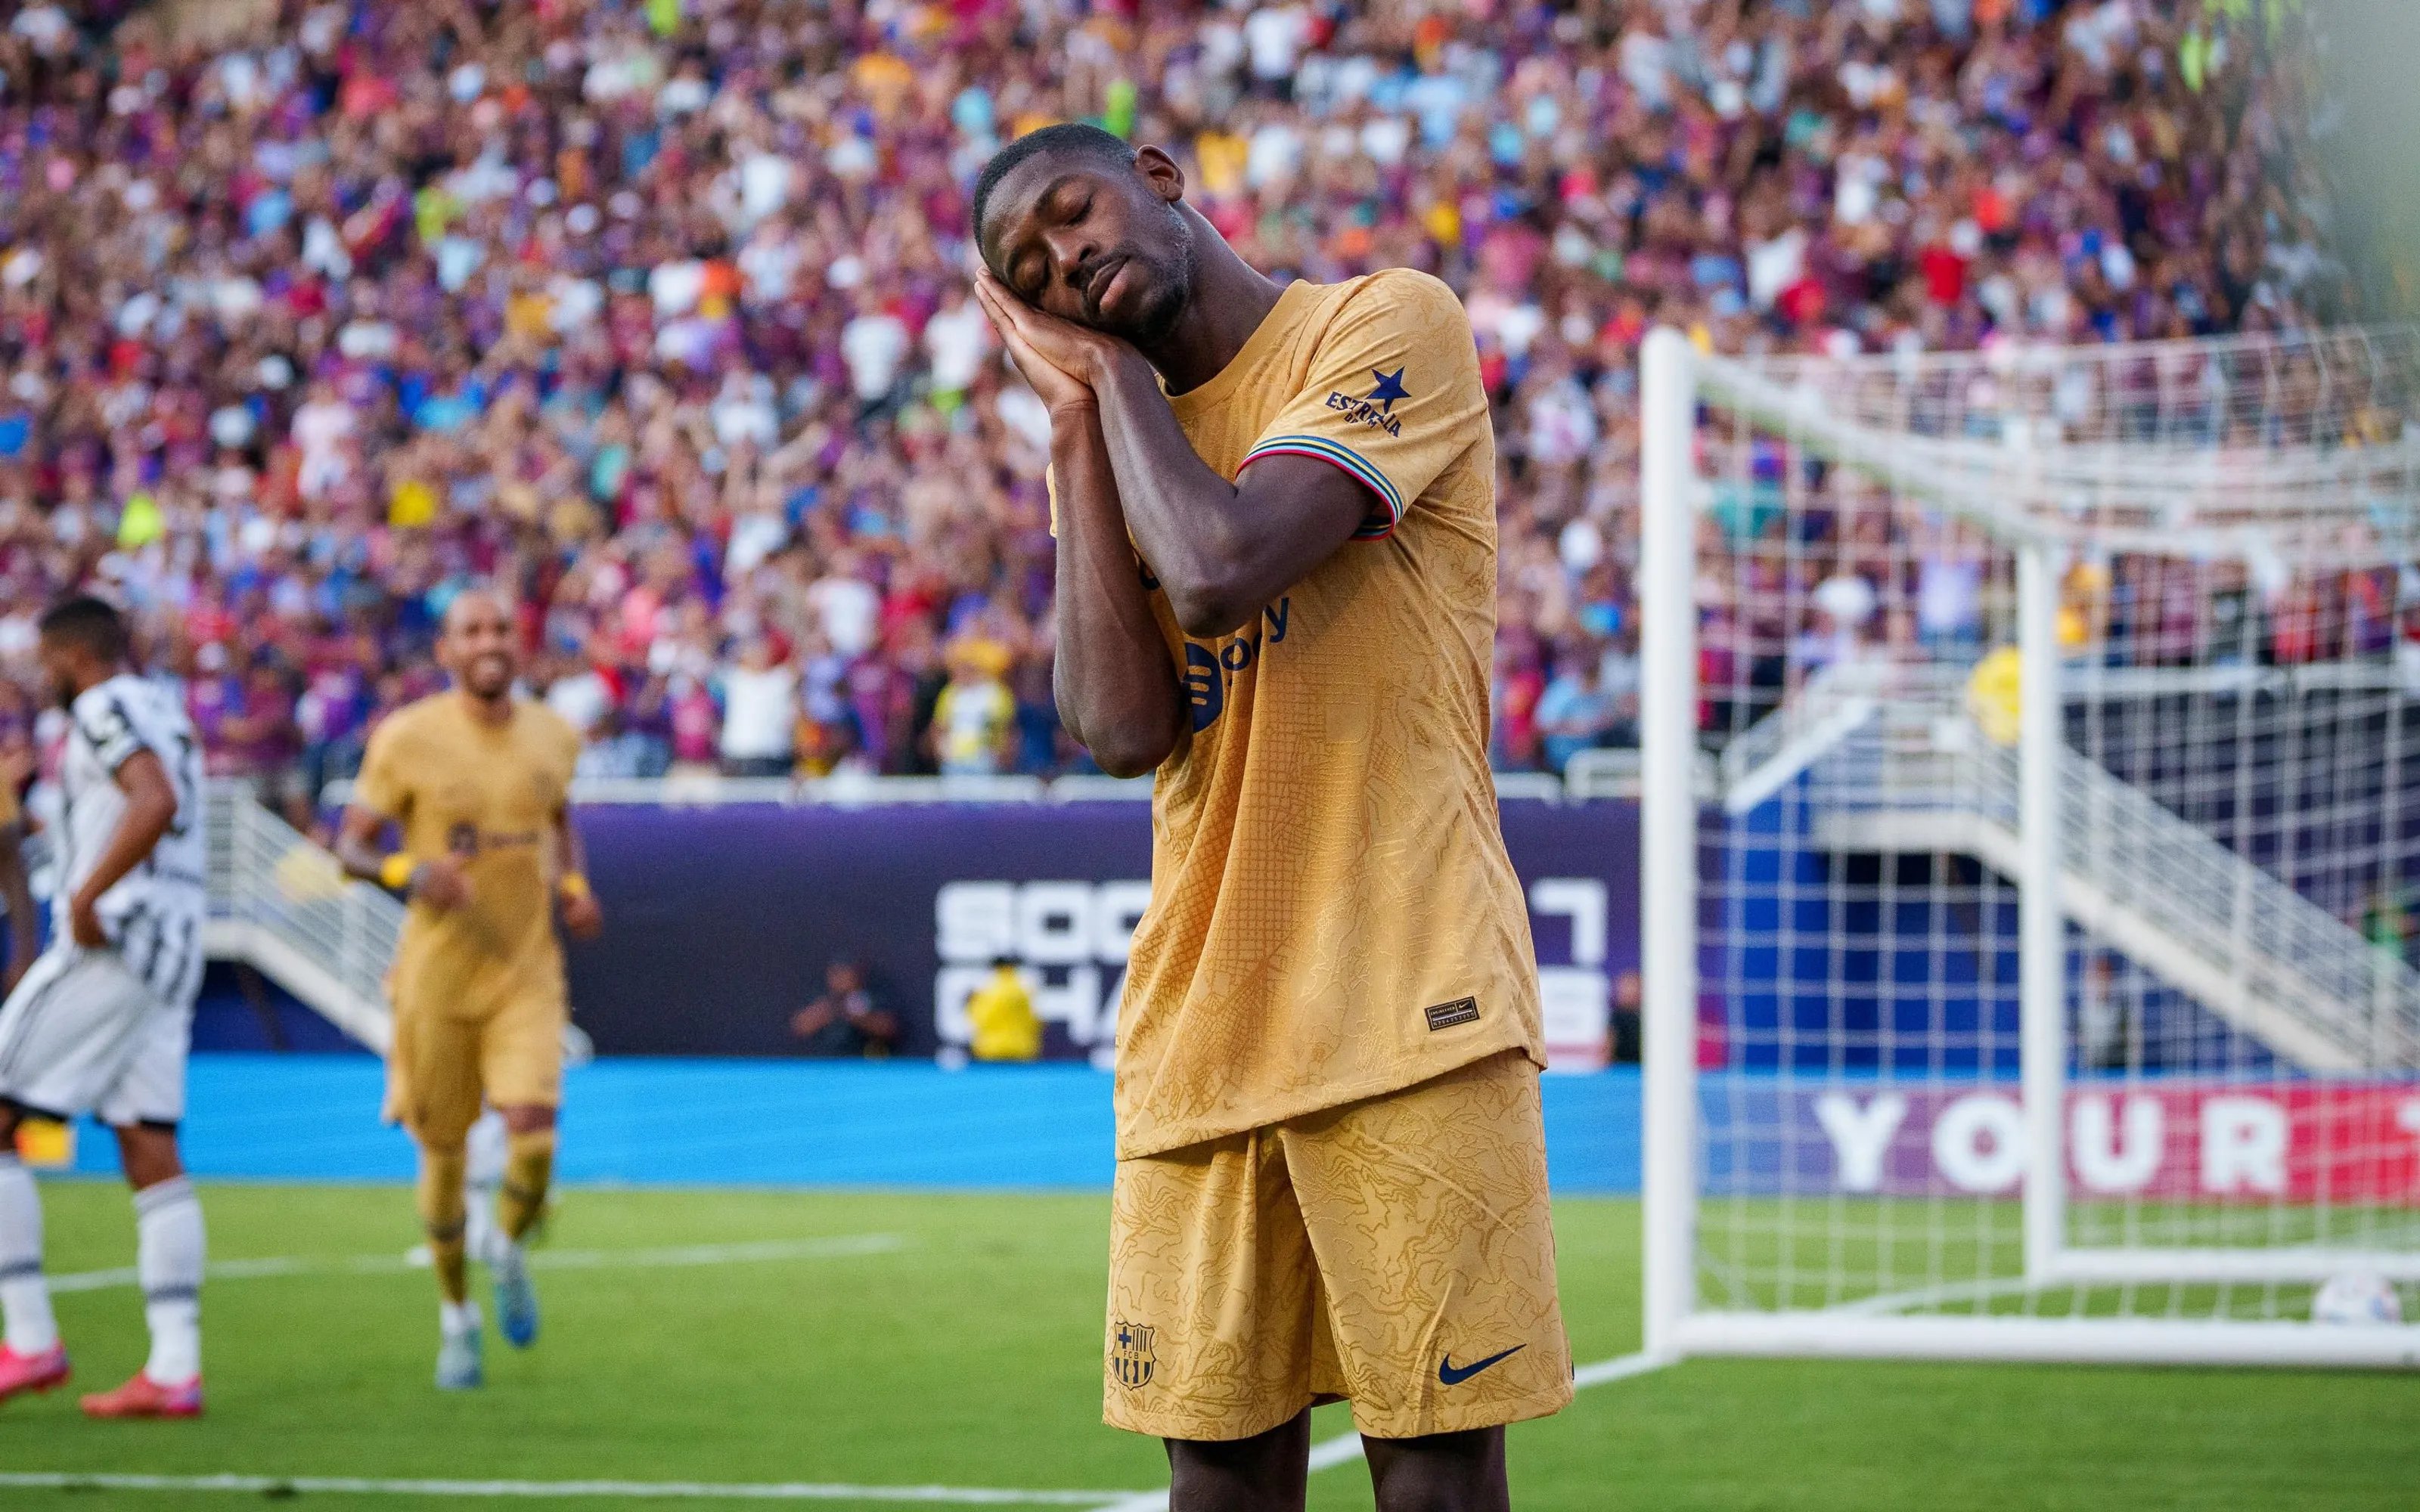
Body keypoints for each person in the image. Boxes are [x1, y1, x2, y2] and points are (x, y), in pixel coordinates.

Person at [973, 123, 1568, 1510]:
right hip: (1201, 1019)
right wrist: (1076, 424)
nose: (1067, 259)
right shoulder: (1119, 437)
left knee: (1429, 1476)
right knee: (1221, 1482)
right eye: (1032, 267)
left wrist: (1110, 374)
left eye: (1073, 213)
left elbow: (1222, 568)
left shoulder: (1385, 321)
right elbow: (1120, 730)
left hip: (1406, 992)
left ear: (1160, 177)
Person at [333, 588, 603, 1391]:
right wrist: (403, 871)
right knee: (444, 1158)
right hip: (436, 980)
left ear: (518, 646)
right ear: (446, 650)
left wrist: (577, 883)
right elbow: (347, 845)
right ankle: (457, 1316)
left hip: (526, 970)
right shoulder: (406, 737)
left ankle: (509, 1247)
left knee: (534, 1135)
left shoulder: (554, 734)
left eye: (500, 629)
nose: (489, 641)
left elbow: (558, 817)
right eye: (472, 630)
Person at [0, 596, 210, 1418]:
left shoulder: (101, 705)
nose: (40, 678)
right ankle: (174, 1366)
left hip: (118, 937)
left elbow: (150, 799)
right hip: (174, 943)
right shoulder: (164, 705)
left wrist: (87, 892)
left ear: (72, 655)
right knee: (149, 1143)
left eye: (45, 662)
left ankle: (29, 1336)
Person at [789, 960, 899, 1059]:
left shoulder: (872, 996)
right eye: (837, 975)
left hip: (864, 1062)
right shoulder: (820, 998)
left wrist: (856, 1014)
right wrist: (832, 1007)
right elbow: (800, 1026)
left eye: (846, 975)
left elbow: (889, 1028)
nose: (842, 980)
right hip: (824, 1064)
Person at [966, 957, 1042, 1063]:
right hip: (1021, 1048)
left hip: (990, 1048)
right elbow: (1036, 1020)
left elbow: (978, 1018)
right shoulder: (1024, 989)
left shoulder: (985, 990)